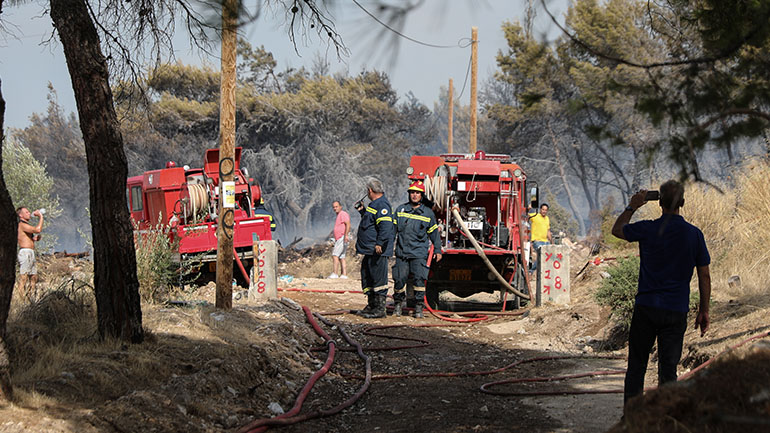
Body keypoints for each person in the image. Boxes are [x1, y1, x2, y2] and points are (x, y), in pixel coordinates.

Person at [611, 180, 711, 411]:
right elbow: (704, 276)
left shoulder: (647, 229)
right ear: (682, 203)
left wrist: (632, 207)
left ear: (659, 204)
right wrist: (704, 310)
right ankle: (666, 420)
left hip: (646, 307)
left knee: (637, 366)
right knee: (668, 369)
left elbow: (617, 230)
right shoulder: (694, 235)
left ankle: (633, 419)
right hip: (676, 310)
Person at [392, 180, 442, 318]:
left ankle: (419, 307)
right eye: (412, 192)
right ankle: (398, 305)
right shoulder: (400, 210)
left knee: (419, 280)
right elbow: (392, 231)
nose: (414, 195)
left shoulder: (428, 214)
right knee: (399, 279)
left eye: (417, 193)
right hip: (402, 253)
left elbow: (434, 234)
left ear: (422, 195)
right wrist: (387, 248)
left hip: (418, 254)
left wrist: (438, 250)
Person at [354, 177, 395, 319]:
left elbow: (385, 226)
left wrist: (380, 243)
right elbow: (370, 222)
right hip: (369, 250)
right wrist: (362, 211)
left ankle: (380, 308)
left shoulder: (382, 205)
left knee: (379, 279)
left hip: (377, 249)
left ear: (370, 190)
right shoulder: (374, 204)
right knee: (367, 276)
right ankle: (371, 305)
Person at [17, 207, 44, 301]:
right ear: (21, 215)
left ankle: (31, 299)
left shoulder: (25, 225)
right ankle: (21, 301)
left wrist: (34, 239)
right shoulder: (21, 224)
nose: (29, 213)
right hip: (25, 253)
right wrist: (41, 216)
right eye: (26, 212)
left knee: (33, 277)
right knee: (24, 278)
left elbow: (27, 238)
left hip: (30, 252)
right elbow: (38, 229)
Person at [327, 201, 350, 279]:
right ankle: (344, 274)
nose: (335, 208)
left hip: (342, 237)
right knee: (341, 257)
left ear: (340, 206)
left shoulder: (343, 214)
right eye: (333, 207)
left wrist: (346, 235)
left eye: (336, 207)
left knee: (335, 255)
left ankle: (335, 273)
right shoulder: (339, 215)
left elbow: (348, 224)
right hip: (339, 238)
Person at [529, 203, 552, 271]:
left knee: (550, 256)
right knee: (541, 256)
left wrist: (551, 242)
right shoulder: (535, 216)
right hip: (537, 241)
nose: (544, 211)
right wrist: (528, 208)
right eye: (543, 209)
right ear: (540, 209)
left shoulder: (547, 218)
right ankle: (531, 271)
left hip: (546, 241)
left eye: (545, 210)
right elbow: (525, 215)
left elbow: (548, 231)